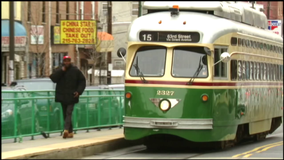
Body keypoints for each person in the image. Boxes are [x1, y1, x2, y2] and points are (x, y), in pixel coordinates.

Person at [49, 56, 86, 139]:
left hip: (72, 96)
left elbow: (82, 81)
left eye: (68, 61)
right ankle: (70, 131)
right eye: (65, 61)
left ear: (70, 61)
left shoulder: (75, 71)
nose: (67, 63)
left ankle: (66, 130)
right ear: (63, 61)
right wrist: (61, 71)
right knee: (65, 113)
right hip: (62, 96)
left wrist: (79, 91)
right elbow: (53, 78)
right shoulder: (60, 70)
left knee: (69, 112)